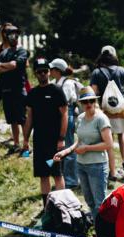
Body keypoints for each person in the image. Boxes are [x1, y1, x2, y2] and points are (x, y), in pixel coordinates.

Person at [54, 89, 112, 217]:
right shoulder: (80, 118)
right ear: (80, 103)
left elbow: (108, 144)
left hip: (97, 165)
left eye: (91, 100)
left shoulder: (101, 119)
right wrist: (66, 151)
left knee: (99, 203)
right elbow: (79, 141)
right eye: (85, 101)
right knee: (89, 201)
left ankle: (102, 234)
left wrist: (86, 148)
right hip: (81, 164)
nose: (88, 103)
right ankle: (97, 227)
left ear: (95, 101)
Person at [21, 57, 67, 208]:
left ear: (49, 72)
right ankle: (47, 207)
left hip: (54, 141)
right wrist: (25, 140)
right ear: (35, 73)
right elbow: (29, 118)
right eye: (39, 72)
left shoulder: (57, 91)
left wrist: (61, 138)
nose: (42, 74)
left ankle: (62, 206)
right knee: (43, 174)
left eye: (45, 71)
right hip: (39, 141)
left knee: (57, 174)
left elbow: (64, 115)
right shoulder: (32, 94)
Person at [90, 45, 124, 181]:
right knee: (122, 134)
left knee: (108, 139)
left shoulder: (97, 73)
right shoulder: (121, 70)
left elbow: (93, 92)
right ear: (114, 56)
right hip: (120, 109)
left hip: (104, 110)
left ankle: (112, 171)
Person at [0, 24, 28, 151]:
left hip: (18, 88)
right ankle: (16, 144)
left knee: (22, 118)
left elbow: (14, 64)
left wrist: (3, 66)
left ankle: (26, 146)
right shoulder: (3, 51)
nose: (13, 37)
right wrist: (7, 66)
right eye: (10, 34)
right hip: (6, 88)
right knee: (12, 119)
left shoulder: (22, 51)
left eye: (15, 34)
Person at [50, 58, 83, 189]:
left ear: (57, 71)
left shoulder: (67, 83)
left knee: (68, 147)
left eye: (52, 69)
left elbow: (66, 100)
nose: (49, 71)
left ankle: (72, 180)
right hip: (59, 115)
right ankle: (64, 178)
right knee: (61, 148)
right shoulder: (57, 82)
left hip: (67, 115)